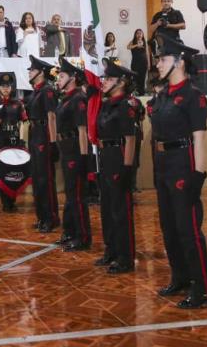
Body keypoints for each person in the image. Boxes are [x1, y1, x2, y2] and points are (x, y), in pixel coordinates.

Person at [151, 36, 207, 309]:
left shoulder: (193, 96)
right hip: (163, 166)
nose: (158, 64)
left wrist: (198, 176)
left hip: (183, 166)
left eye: (163, 59)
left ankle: (202, 287)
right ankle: (180, 277)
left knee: (188, 229)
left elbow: (198, 138)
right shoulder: (163, 95)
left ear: (179, 61)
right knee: (169, 228)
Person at [95, 58, 137, 274]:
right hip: (106, 156)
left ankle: (125, 257)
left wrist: (127, 169)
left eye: (109, 78)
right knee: (107, 209)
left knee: (121, 210)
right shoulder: (106, 103)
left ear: (120, 82)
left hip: (119, 157)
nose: (104, 81)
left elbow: (130, 139)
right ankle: (111, 250)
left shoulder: (124, 106)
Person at [55, 58, 91, 252]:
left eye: (62, 76)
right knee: (70, 194)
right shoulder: (66, 98)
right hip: (66, 147)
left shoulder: (78, 99)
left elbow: (83, 130)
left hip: (76, 149)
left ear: (73, 79)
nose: (58, 80)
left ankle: (83, 236)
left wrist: (84, 158)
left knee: (77, 196)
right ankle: (69, 232)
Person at [25, 56, 60, 232]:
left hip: (44, 134)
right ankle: (42, 216)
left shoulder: (47, 91)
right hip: (34, 134)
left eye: (32, 70)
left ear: (40, 73)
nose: (30, 72)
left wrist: (53, 143)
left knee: (45, 179)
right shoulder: (35, 92)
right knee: (37, 178)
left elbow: (51, 117)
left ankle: (51, 218)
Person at [0, 73, 28, 212]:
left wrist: (22, 140)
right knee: (2, 171)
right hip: (0, 140)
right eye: (3, 86)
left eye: (8, 86)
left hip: (14, 139)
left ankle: (12, 199)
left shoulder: (18, 104)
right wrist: (0, 116)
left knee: (14, 170)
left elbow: (23, 122)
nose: (6, 89)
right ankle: (5, 200)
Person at [127, 29, 150, 95]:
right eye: (137, 33)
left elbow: (147, 54)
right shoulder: (133, 41)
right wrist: (136, 45)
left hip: (143, 63)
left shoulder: (144, 42)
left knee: (142, 78)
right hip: (135, 63)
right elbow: (128, 47)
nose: (139, 34)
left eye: (140, 33)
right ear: (135, 34)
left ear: (142, 34)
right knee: (135, 78)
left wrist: (149, 64)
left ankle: (142, 93)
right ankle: (135, 93)